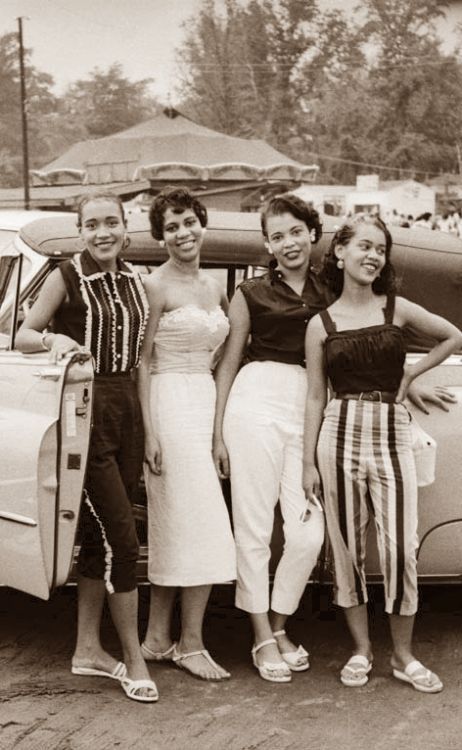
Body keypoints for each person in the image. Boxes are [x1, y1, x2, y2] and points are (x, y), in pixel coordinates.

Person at [302, 213, 462, 693]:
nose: (374, 256)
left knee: (400, 549)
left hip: (391, 433)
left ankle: (404, 656)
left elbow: (454, 336)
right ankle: (361, 650)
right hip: (339, 431)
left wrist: (410, 377)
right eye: (365, 246)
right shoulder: (321, 323)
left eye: (381, 249)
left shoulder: (396, 308)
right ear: (340, 252)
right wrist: (308, 461)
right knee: (347, 548)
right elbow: (315, 394)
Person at [15, 193, 158, 703]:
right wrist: (55, 341)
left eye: (111, 223)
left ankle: (86, 651)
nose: (103, 232)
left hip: (128, 415)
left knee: (99, 539)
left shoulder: (137, 280)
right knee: (124, 540)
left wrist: (150, 431)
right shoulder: (65, 276)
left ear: (126, 227)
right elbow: (25, 334)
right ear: (81, 231)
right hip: (85, 414)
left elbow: (142, 361)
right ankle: (134, 660)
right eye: (92, 224)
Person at [213, 194, 328, 683]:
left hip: (310, 403)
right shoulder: (251, 292)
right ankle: (262, 634)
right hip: (255, 399)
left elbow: (374, 335)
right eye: (277, 236)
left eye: (295, 231)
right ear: (267, 245)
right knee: (255, 526)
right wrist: (217, 431)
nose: (288, 243)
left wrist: (415, 378)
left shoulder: (334, 290)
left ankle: (280, 622)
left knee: (306, 532)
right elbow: (229, 362)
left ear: (312, 233)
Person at [137, 186, 236, 681]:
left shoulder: (217, 286)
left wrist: (219, 433)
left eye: (189, 222)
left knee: (185, 523)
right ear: (161, 238)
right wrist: (148, 433)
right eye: (171, 227)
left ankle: (159, 638)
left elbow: (221, 363)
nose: (183, 233)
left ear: (202, 223)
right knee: (190, 522)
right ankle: (188, 643)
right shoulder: (155, 286)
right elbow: (142, 362)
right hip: (168, 402)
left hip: (203, 402)